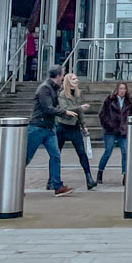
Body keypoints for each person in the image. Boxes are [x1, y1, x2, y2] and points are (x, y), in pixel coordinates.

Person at [25, 66, 73, 195]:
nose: (63, 77)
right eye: (63, 75)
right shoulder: (45, 89)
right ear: (57, 76)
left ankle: (57, 185)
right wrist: (65, 112)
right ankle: (13, 183)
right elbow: (48, 108)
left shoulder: (54, 88)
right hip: (37, 127)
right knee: (26, 158)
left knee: (55, 155)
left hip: (49, 127)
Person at [57, 72, 97, 190]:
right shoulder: (62, 94)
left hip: (74, 127)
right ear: (68, 81)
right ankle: (53, 179)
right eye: (74, 79)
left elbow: (79, 112)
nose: (77, 81)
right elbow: (64, 109)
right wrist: (80, 108)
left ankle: (89, 178)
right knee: (56, 154)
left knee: (81, 153)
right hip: (62, 126)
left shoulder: (78, 94)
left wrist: (83, 125)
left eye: (77, 79)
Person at [97, 81, 132, 183]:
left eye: (124, 89)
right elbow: (102, 114)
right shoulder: (109, 100)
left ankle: (125, 174)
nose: (122, 91)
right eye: (120, 89)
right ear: (117, 90)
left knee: (125, 152)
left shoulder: (129, 101)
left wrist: (126, 127)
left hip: (122, 131)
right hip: (111, 131)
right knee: (108, 152)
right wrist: (108, 124)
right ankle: (100, 171)